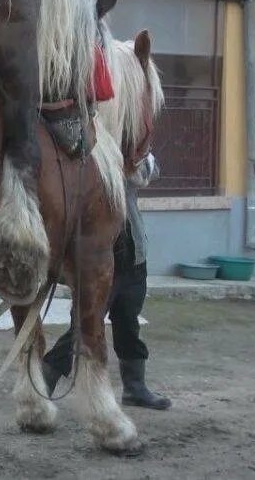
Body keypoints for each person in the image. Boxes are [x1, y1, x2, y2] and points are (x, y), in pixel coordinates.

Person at [42, 153, 171, 410]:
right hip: (99, 258)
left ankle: (135, 388)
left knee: (128, 323)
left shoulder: (131, 148)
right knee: (83, 325)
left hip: (134, 255)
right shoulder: (94, 153)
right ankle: (44, 381)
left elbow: (151, 169)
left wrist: (130, 162)